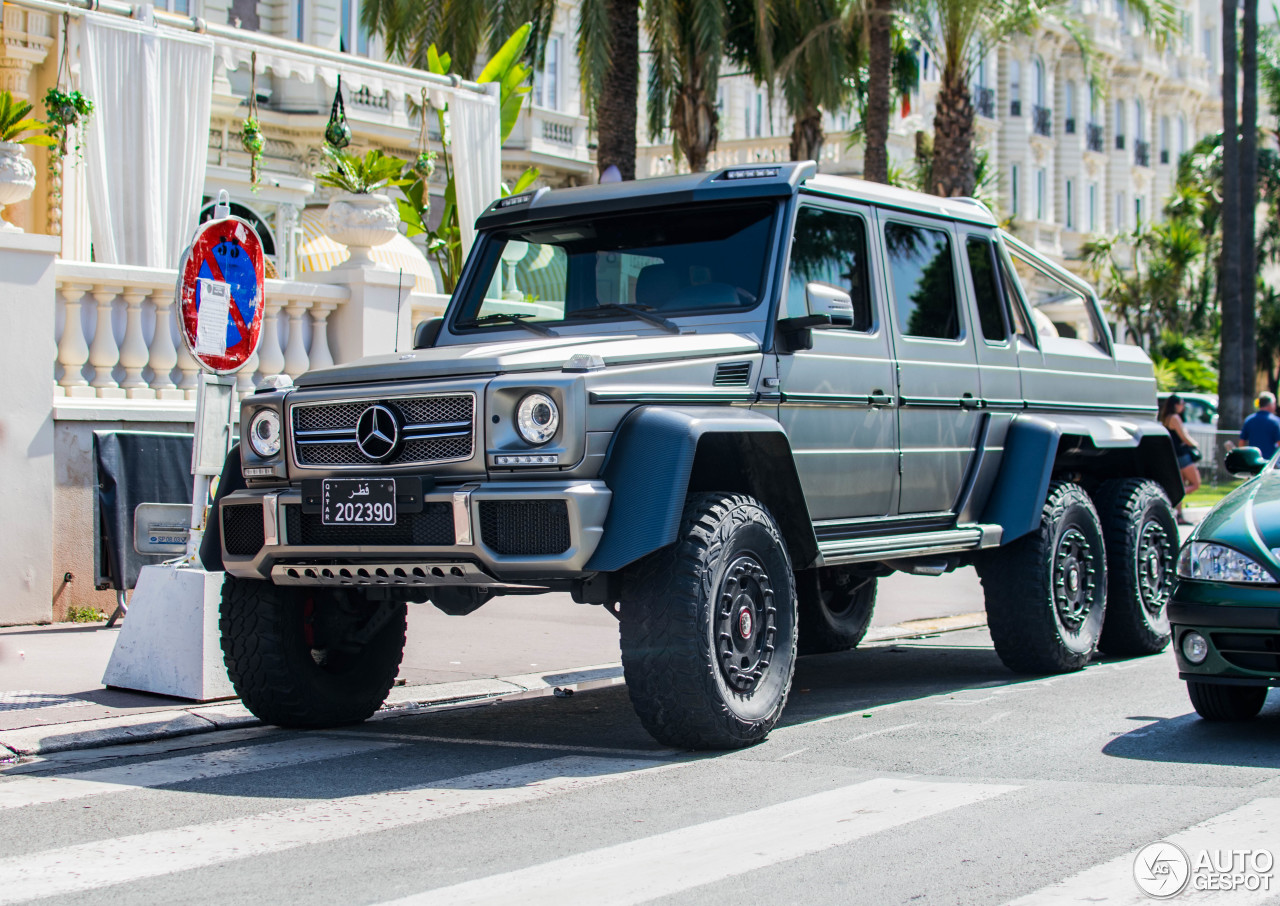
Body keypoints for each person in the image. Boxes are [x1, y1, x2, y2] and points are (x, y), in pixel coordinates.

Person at [1160, 394, 1200, 525]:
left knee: (1181, 483)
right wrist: (1195, 445)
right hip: (1182, 455)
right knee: (1195, 483)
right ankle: (1170, 500)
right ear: (1175, 405)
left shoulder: (1165, 418)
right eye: (1181, 404)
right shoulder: (1175, 418)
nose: (1183, 407)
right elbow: (1184, 437)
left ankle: (1179, 514)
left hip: (1174, 454)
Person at [1239, 392, 1280, 460]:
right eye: (1274, 404)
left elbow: (1242, 442)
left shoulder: (1249, 420)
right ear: (1270, 405)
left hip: (1253, 461)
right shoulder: (1276, 421)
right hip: (1269, 462)